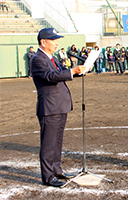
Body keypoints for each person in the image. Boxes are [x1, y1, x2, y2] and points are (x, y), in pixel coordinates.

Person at [30, 28, 88, 187]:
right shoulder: (37, 59)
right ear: (43, 42)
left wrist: (79, 71)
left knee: (57, 142)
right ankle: (48, 177)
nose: (57, 43)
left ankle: (56, 170)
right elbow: (51, 76)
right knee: (49, 144)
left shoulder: (52, 57)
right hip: (49, 108)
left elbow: (62, 72)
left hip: (59, 106)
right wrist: (72, 71)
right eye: (53, 40)